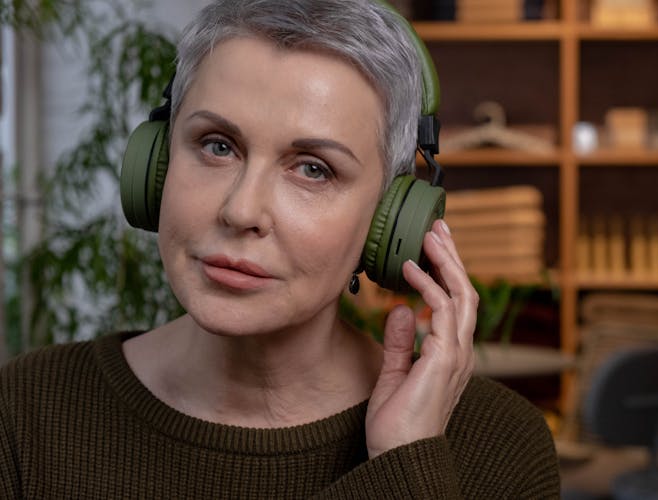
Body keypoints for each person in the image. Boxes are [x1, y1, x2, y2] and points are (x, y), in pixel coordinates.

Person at [0, 0, 560, 498]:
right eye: (217, 146)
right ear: (157, 166)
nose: (241, 210)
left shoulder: (498, 446)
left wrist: (403, 463)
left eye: (314, 169)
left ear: (389, 222)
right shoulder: (24, 413)